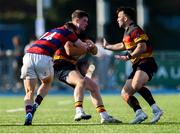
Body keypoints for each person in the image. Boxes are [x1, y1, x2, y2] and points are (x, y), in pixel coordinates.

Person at [53, 10, 122, 124]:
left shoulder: (81, 34)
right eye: (84, 21)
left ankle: (104, 117)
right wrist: (85, 48)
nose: (86, 23)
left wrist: (92, 47)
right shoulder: (67, 30)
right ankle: (79, 111)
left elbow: (94, 51)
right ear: (76, 20)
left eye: (87, 21)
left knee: (94, 87)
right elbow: (69, 51)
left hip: (71, 66)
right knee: (81, 82)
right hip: (61, 66)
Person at [21, 19, 94, 125]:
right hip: (43, 56)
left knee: (29, 92)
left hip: (28, 55)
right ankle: (35, 105)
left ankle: (28, 112)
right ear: (71, 28)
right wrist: (90, 46)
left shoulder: (51, 31)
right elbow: (83, 46)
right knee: (46, 83)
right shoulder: (69, 32)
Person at [103, 7, 163, 124]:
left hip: (146, 62)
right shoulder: (127, 31)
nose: (117, 20)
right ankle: (139, 113)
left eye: (119, 17)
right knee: (125, 93)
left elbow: (142, 47)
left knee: (136, 84)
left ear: (125, 18)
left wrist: (129, 57)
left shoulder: (135, 29)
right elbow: (123, 45)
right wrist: (108, 46)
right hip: (137, 64)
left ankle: (156, 110)